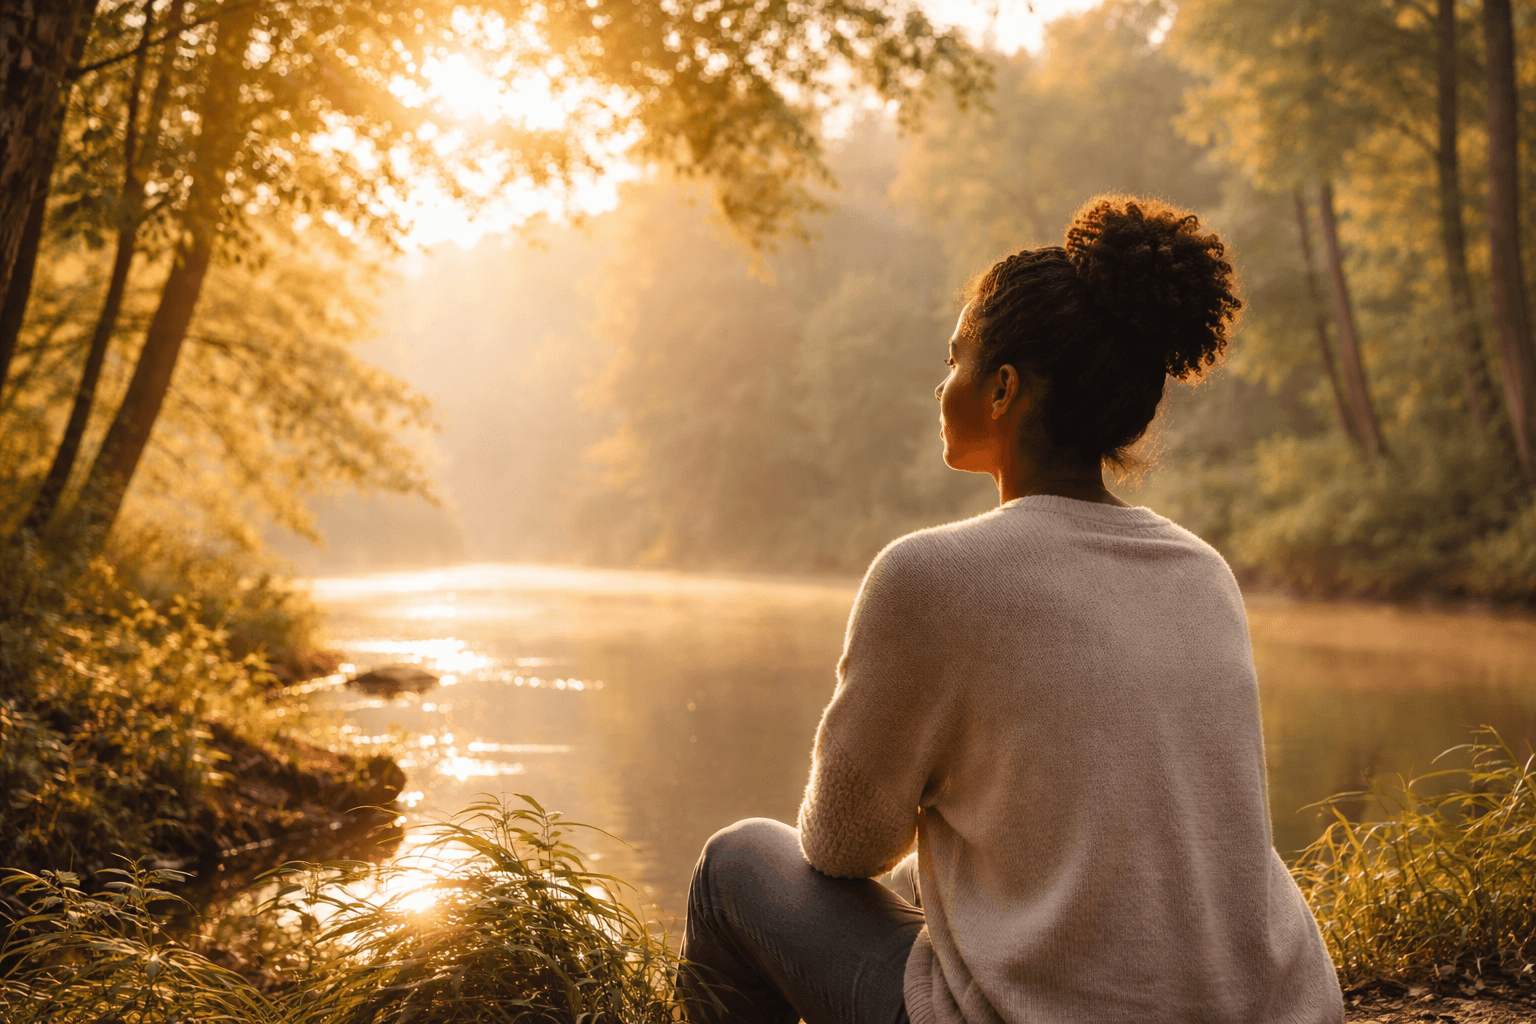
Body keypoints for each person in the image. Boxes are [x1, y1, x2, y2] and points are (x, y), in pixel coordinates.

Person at [678, 196, 1345, 1024]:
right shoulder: (1203, 572)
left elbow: (840, 846)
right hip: (1272, 1011)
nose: (939, 381)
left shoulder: (929, 577)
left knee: (735, 864)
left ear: (1001, 389)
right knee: (931, 875)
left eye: (955, 357)